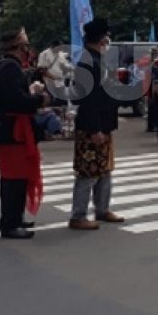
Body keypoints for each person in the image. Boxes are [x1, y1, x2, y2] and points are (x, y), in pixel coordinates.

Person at [0, 28, 52, 239]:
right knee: (13, 179)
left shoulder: (10, 68)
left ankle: (15, 218)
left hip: (15, 128)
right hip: (13, 129)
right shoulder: (9, 69)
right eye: (25, 44)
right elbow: (14, 101)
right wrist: (38, 100)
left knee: (18, 176)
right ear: (16, 46)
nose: (29, 48)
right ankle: (10, 223)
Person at [68, 19, 124, 230]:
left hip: (104, 123)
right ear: (102, 38)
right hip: (92, 125)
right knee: (88, 171)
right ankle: (78, 215)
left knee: (104, 168)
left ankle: (102, 209)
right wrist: (95, 128)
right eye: (107, 35)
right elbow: (87, 98)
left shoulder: (97, 59)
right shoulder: (87, 62)